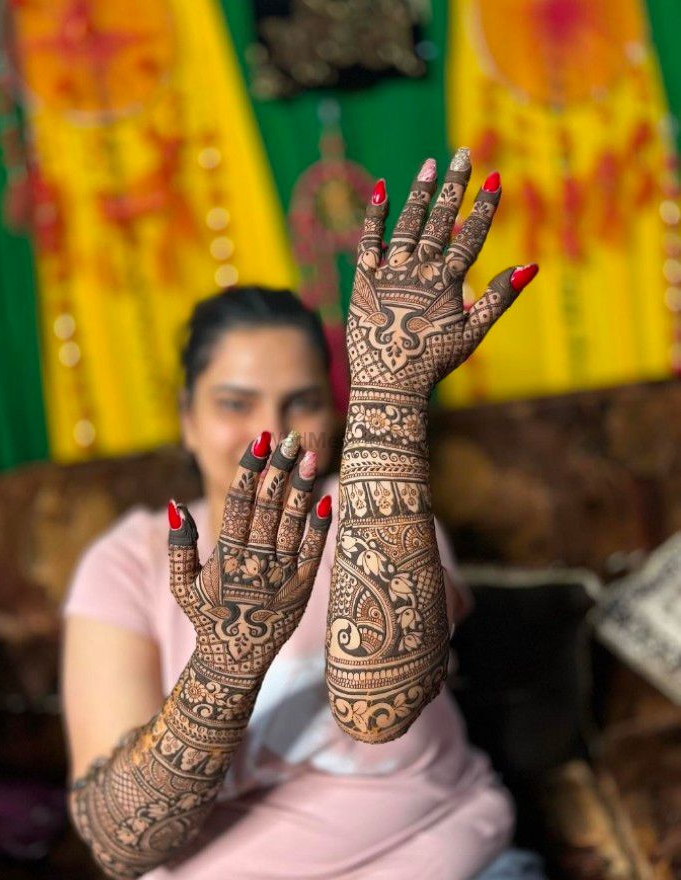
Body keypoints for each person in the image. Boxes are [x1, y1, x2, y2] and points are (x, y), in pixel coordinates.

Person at [62, 151, 543, 879]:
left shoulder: (377, 507)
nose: (274, 429)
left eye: (303, 402)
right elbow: (122, 842)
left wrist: (390, 401)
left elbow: (375, 712)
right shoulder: (126, 562)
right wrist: (228, 661)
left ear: (339, 408)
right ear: (187, 420)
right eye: (235, 404)